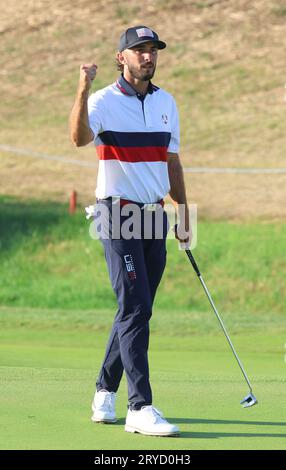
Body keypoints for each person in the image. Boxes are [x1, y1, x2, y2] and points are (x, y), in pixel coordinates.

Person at [69, 25, 191, 437]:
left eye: (153, 50)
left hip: (154, 216)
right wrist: (83, 88)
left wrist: (184, 213)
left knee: (136, 307)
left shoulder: (167, 103)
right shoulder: (103, 100)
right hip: (116, 213)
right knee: (136, 306)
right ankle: (140, 406)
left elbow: (171, 161)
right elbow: (78, 138)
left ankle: (104, 390)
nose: (148, 56)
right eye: (139, 50)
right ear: (122, 57)